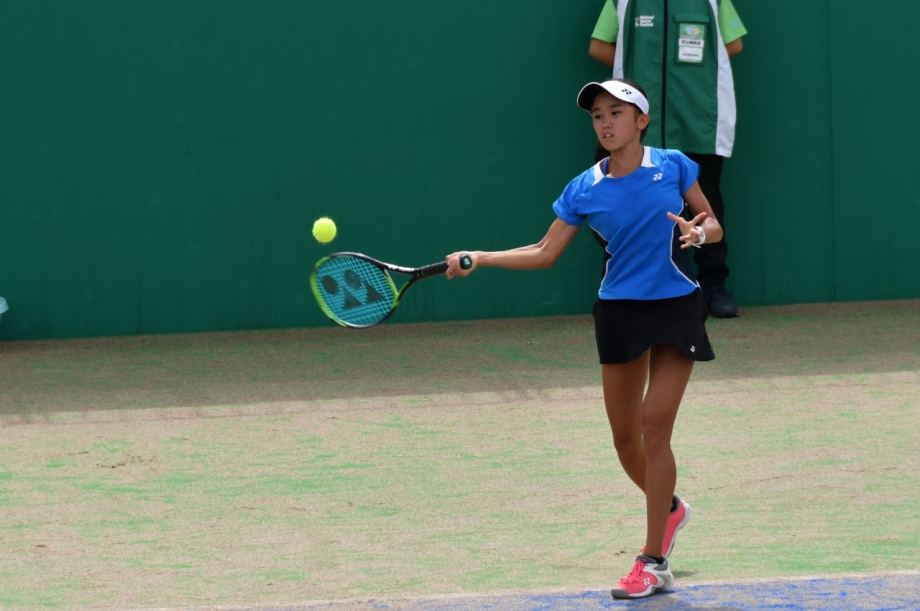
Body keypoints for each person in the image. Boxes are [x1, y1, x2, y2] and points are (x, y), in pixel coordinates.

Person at [445, 79, 722, 600]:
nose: (605, 122)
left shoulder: (675, 165)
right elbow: (545, 251)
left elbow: (711, 223)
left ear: (641, 120)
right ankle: (669, 510)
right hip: (619, 311)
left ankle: (653, 562)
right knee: (625, 441)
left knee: (654, 428)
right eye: (598, 115)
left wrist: (699, 232)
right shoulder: (584, 188)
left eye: (616, 112)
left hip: (676, 305)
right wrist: (482, 257)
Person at [588, 0, 747, 318]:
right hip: (639, 126)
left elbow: (733, 44)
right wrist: (641, 72)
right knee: (637, 207)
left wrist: (684, 75)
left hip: (697, 118)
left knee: (706, 206)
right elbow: (599, 46)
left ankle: (712, 286)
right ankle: (640, 288)